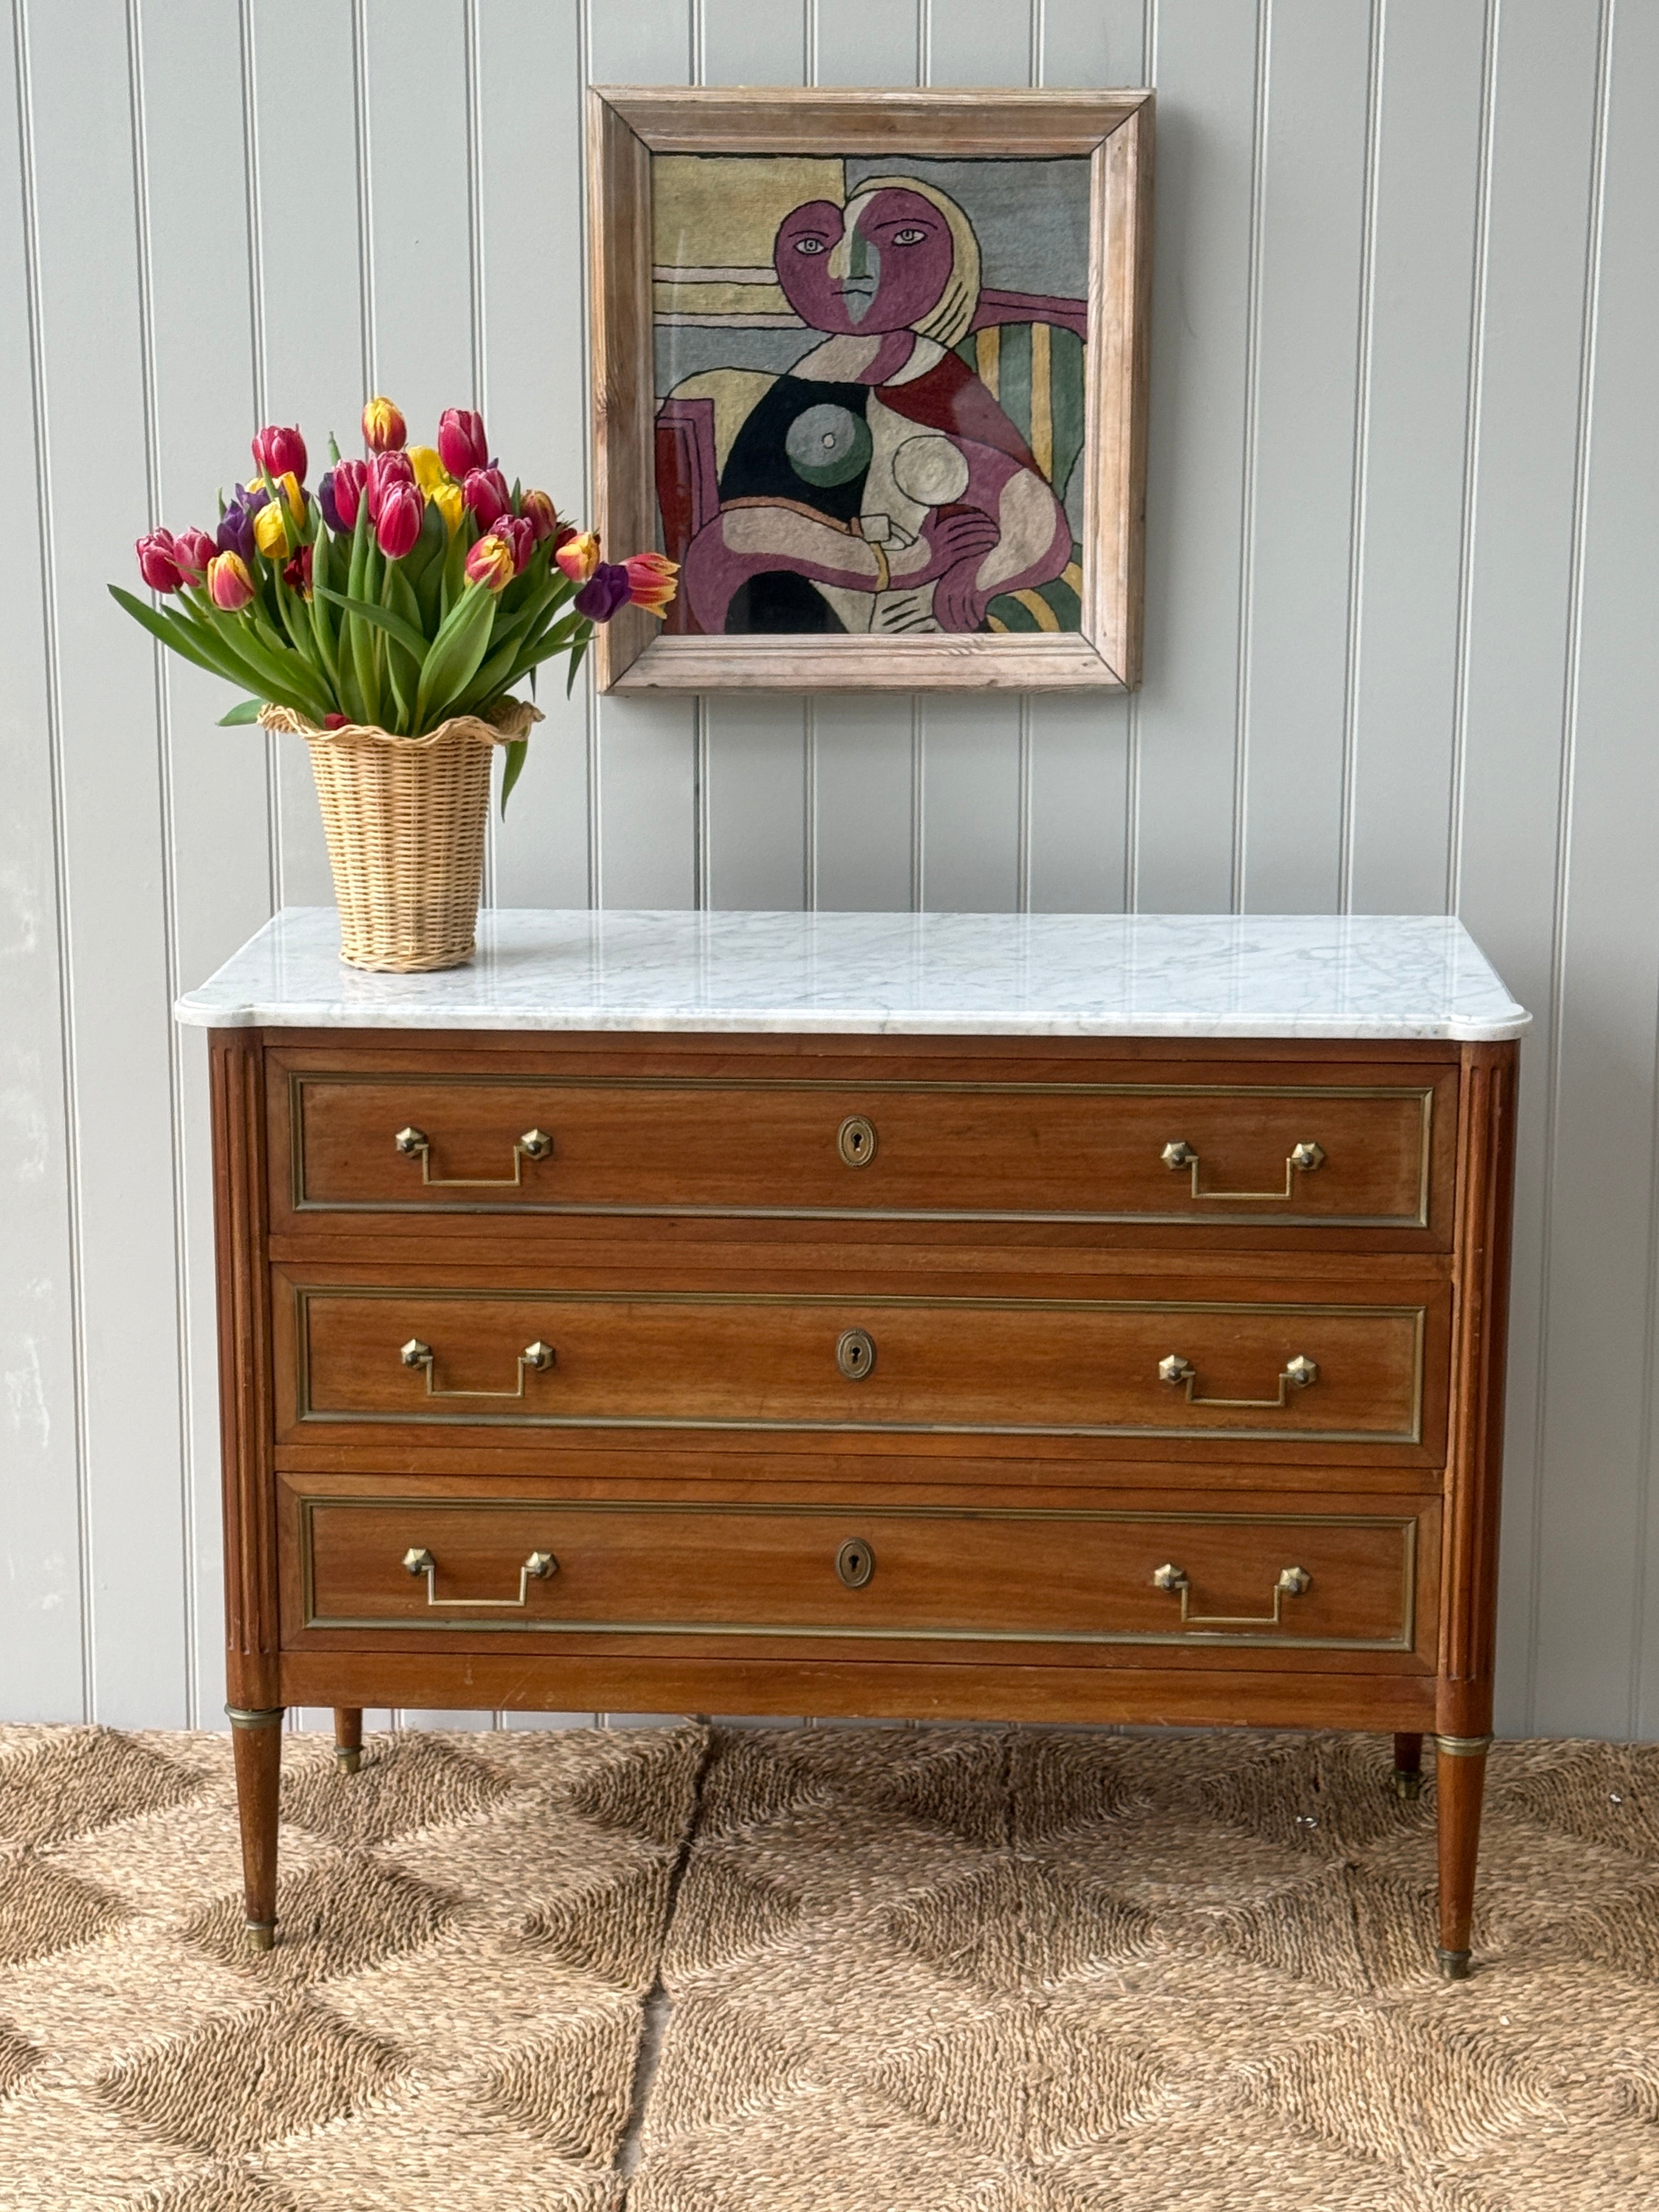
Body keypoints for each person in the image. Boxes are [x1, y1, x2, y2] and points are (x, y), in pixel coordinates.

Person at [678, 176, 1072, 636]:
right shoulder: (804, 385)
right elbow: (739, 536)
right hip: (804, 608)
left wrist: (979, 579)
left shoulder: (936, 379)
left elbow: (1033, 517)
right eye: (814, 246)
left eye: (903, 238)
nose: (850, 270)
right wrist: (901, 563)